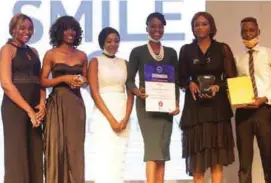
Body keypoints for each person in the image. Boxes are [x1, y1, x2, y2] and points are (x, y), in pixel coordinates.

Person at [178, 12, 237, 183]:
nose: (200, 27)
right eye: (196, 24)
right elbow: (180, 78)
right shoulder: (186, 50)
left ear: (211, 26)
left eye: (204, 24)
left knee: (216, 163)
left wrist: (218, 86)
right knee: (197, 164)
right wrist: (189, 83)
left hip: (217, 111)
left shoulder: (222, 48)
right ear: (193, 28)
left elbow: (231, 78)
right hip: (195, 111)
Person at [126, 12, 180, 183]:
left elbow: (175, 81)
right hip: (146, 105)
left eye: (160, 26)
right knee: (151, 149)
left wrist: (177, 103)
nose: (157, 29)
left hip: (166, 107)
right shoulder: (138, 52)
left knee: (163, 150)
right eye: (153, 26)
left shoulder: (171, 53)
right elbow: (128, 80)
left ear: (164, 28)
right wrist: (137, 91)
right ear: (147, 28)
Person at [41, 15, 88, 183]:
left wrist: (81, 81)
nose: (71, 32)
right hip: (57, 103)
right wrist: (63, 79)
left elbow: (86, 80)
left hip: (76, 104)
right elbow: (43, 81)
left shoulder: (82, 55)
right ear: (59, 32)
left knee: (75, 149)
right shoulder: (51, 54)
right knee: (56, 148)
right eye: (67, 29)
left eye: (74, 29)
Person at [234, 17, 271, 183]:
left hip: (263, 111)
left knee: (267, 159)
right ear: (240, 33)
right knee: (244, 163)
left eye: (251, 30)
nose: (248, 34)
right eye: (244, 31)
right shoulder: (237, 58)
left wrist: (264, 98)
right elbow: (235, 86)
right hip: (243, 112)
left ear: (258, 31)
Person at [0, 13, 45, 183]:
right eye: (23, 28)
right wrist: (29, 111)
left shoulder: (33, 51)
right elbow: (6, 84)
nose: (27, 31)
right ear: (13, 29)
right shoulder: (7, 50)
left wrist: (42, 104)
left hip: (34, 108)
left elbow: (40, 80)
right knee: (17, 153)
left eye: (30, 28)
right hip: (15, 108)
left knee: (35, 151)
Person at [88, 27, 134, 183]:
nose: (113, 44)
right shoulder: (95, 61)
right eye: (109, 41)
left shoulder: (125, 63)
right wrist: (111, 119)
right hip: (103, 114)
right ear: (102, 42)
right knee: (104, 157)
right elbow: (94, 92)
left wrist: (126, 118)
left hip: (122, 112)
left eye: (116, 41)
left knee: (119, 158)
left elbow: (130, 93)